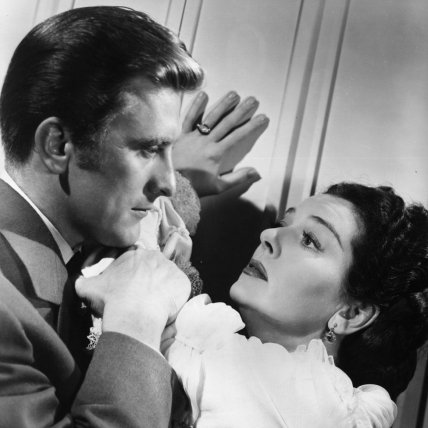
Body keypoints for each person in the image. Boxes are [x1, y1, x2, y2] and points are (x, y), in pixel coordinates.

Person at [0, 6, 268, 427]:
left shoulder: (92, 239)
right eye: (147, 149)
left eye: (170, 150)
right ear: (58, 145)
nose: (168, 183)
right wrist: (137, 321)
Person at [162, 182, 428, 427]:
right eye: (282, 223)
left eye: (309, 240)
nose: (269, 234)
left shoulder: (314, 405)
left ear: (351, 313)